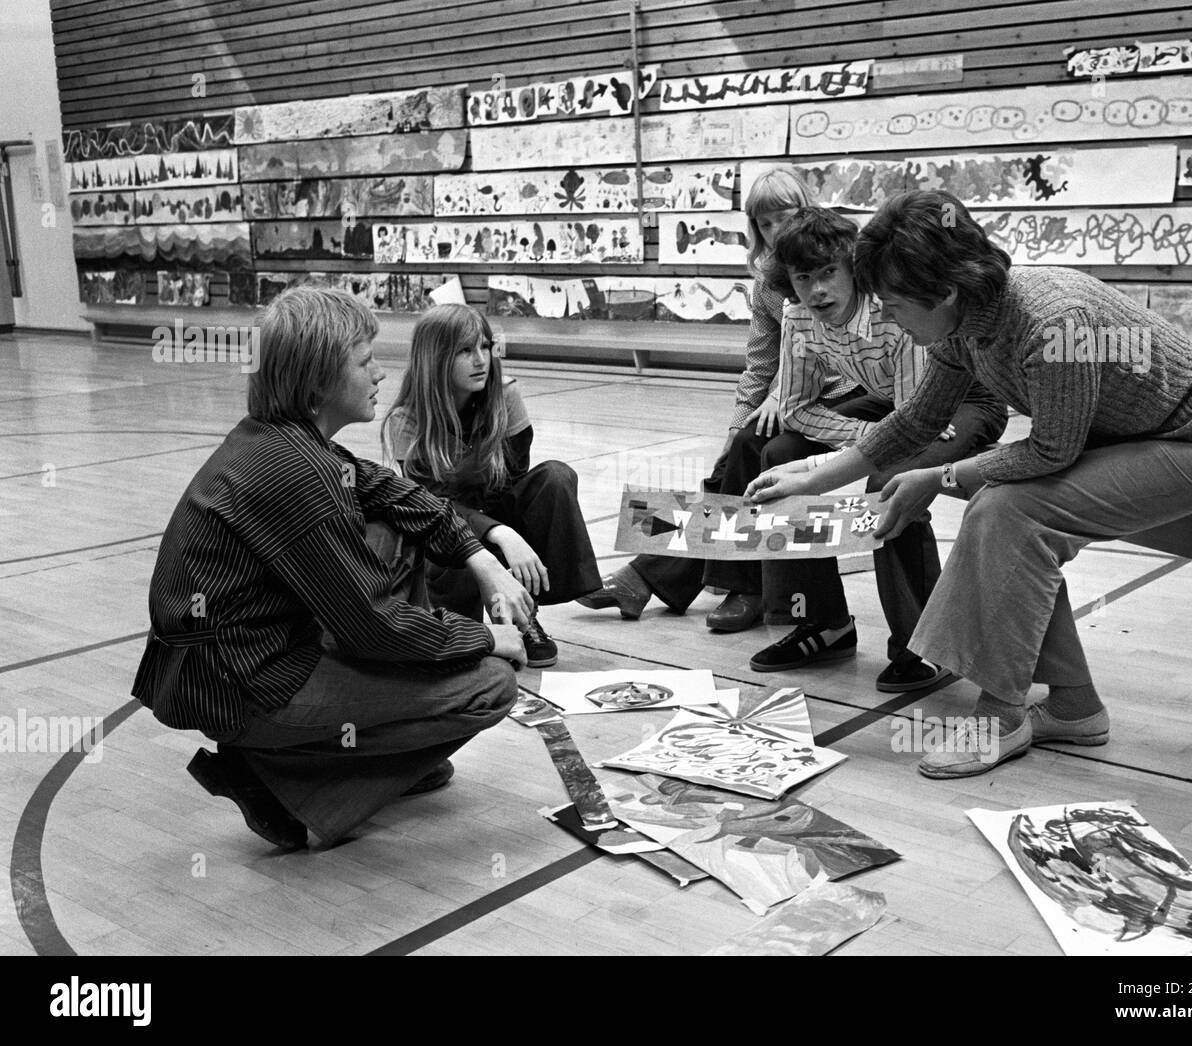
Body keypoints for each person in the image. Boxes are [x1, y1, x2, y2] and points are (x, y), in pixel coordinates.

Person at [747, 190, 1192, 778]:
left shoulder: (1050, 322)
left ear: (942, 292)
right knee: (1004, 510)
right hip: (1136, 434)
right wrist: (812, 476)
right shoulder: (961, 323)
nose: (885, 315)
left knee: (1006, 514)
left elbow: (1051, 449)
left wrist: (939, 476)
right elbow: (914, 420)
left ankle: (1000, 715)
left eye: (891, 303)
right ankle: (1073, 707)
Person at [132, 287, 533, 850]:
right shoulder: (300, 475)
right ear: (319, 380)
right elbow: (375, 627)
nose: (380, 375)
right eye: (366, 361)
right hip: (239, 685)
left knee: (396, 526)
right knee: (489, 686)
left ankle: (303, 758)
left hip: (230, 661)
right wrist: (485, 638)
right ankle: (282, 782)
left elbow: (392, 491)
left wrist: (478, 557)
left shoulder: (285, 439)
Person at [578, 165, 856, 631]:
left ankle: (726, 584)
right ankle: (669, 578)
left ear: (806, 209)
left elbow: (836, 346)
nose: (773, 231)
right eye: (763, 224)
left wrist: (780, 399)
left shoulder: (835, 262)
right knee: (735, 453)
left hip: (847, 391)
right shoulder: (768, 281)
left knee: (755, 448)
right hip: (792, 396)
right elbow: (760, 361)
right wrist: (738, 419)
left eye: (783, 218)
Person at [746, 207, 1007, 691]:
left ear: (852, 269)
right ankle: (824, 622)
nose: (818, 290)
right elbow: (797, 409)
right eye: (804, 277)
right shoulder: (797, 315)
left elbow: (915, 423)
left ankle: (924, 644)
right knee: (777, 453)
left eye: (829, 273)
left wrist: (853, 453)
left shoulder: (887, 309)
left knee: (890, 480)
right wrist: (863, 439)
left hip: (961, 399)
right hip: (896, 404)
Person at [382, 303, 602, 668]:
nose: (481, 359)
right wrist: (500, 533)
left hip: (491, 506)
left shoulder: (506, 396)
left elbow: (514, 483)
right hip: (445, 532)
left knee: (555, 477)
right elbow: (432, 507)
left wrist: (507, 531)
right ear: (434, 358)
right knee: (462, 651)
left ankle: (522, 611)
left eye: (484, 347)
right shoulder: (406, 420)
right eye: (465, 351)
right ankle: (466, 617)